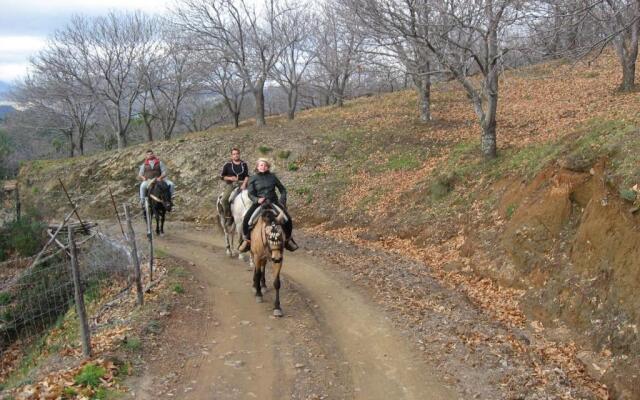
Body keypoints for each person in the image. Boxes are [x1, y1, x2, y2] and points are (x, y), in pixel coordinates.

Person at [238, 158, 298, 252]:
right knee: (247, 219)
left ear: (268, 167)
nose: (263, 167)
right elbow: (250, 193)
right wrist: (257, 199)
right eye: (261, 165)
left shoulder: (273, 177)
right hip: (259, 204)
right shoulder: (253, 178)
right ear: (257, 167)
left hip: (273, 202)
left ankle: (288, 240)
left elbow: (283, 190)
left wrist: (282, 200)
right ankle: (246, 241)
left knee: (287, 219)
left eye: (265, 165)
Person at [219, 147, 249, 219]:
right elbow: (222, 176)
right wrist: (230, 178)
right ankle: (228, 214)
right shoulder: (227, 165)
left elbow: (247, 175)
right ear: (231, 156)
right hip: (231, 184)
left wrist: (244, 184)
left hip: (242, 183)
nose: (236, 155)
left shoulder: (244, 164)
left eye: (237, 154)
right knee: (224, 199)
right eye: (234, 154)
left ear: (239, 154)